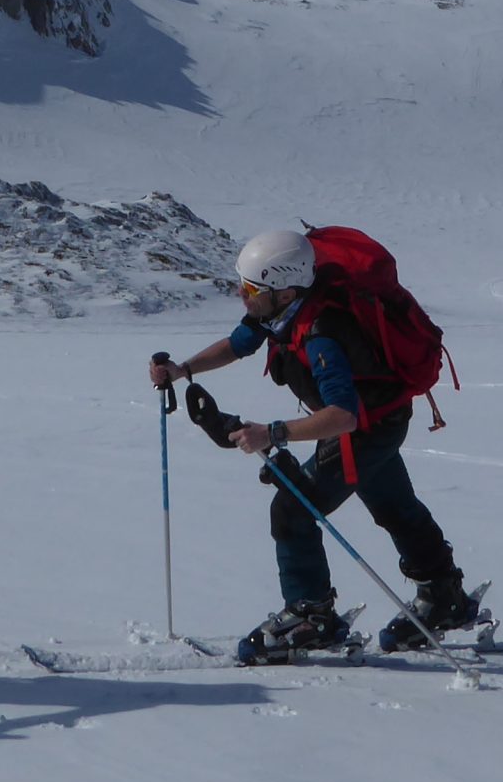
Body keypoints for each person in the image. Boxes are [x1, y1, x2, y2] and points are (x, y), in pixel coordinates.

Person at [151, 229, 482, 661]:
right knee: (393, 505)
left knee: (292, 509)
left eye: (250, 288)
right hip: (376, 422)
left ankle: (311, 617)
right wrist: (182, 370)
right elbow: (237, 346)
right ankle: (443, 594)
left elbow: (342, 416)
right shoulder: (278, 313)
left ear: (285, 290)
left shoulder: (323, 333)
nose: (241, 294)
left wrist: (271, 433)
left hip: (363, 429)